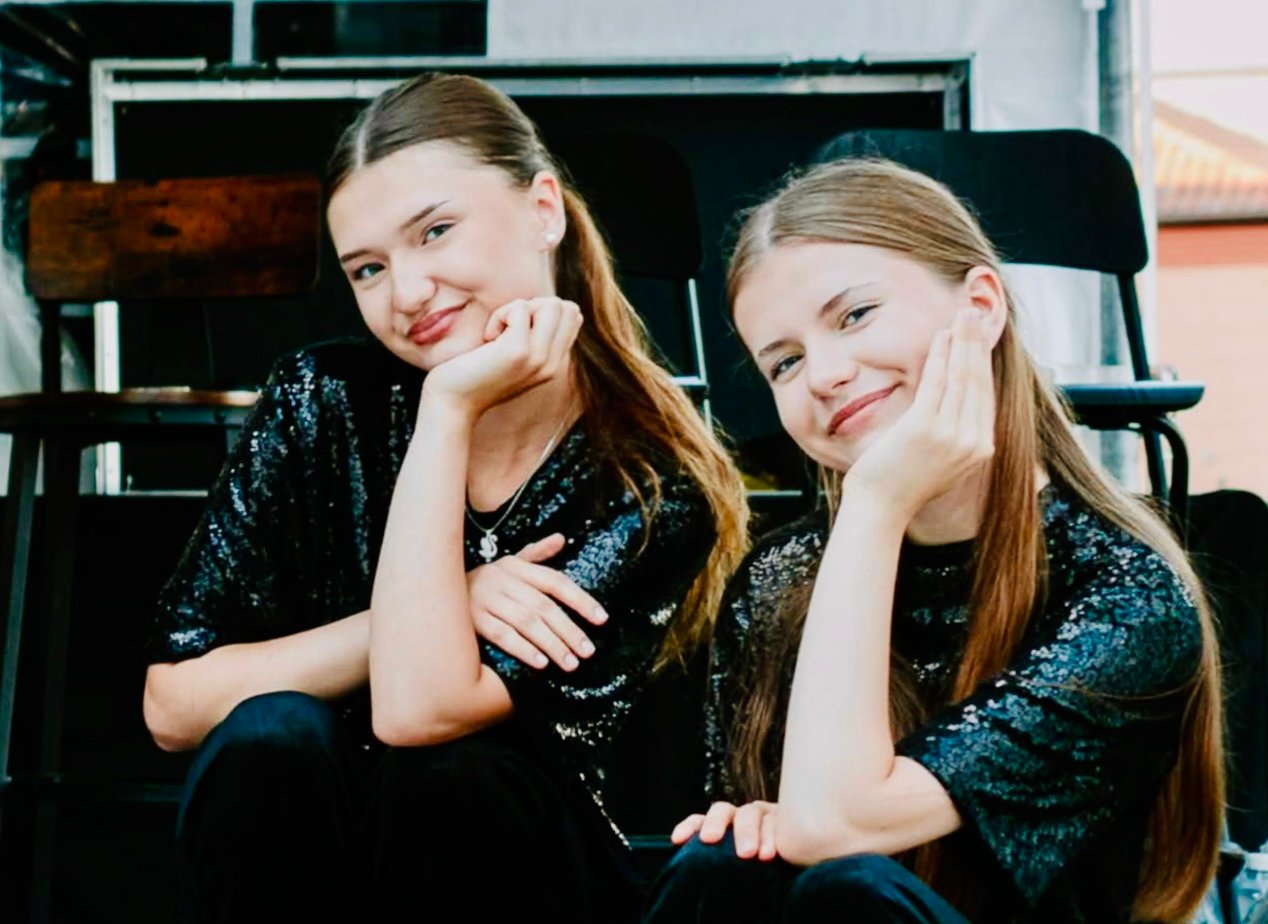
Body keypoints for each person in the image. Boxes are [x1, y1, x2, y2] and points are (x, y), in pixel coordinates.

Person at [141, 71, 748, 924]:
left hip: (507, 867)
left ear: (543, 210)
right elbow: (173, 706)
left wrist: (449, 406)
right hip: (315, 862)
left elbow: (419, 714)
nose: (407, 293)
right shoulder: (322, 398)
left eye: (435, 231)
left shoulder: (648, 483)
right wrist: (454, 599)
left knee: (451, 773)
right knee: (270, 737)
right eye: (368, 268)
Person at [644, 158, 1223, 924]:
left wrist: (877, 501)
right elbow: (778, 829)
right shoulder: (780, 580)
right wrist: (746, 827)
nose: (824, 375)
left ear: (980, 307)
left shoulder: (1124, 597)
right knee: (719, 865)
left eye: (855, 315)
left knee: (850, 889)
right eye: (784, 362)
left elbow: (832, 828)